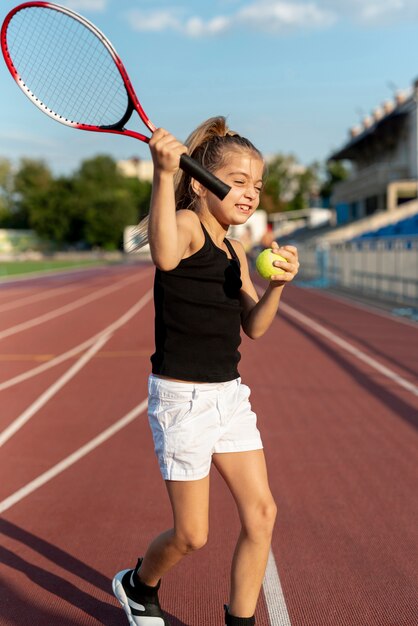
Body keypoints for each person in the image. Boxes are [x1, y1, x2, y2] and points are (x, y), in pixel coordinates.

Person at [112, 116, 299, 626]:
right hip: (182, 400)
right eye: (238, 182)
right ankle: (137, 584)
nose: (250, 193)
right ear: (201, 182)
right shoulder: (189, 226)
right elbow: (165, 256)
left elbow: (254, 327)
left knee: (262, 514)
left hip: (229, 397)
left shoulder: (237, 251)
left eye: (257, 186)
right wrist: (160, 172)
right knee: (192, 535)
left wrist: (279, 286)